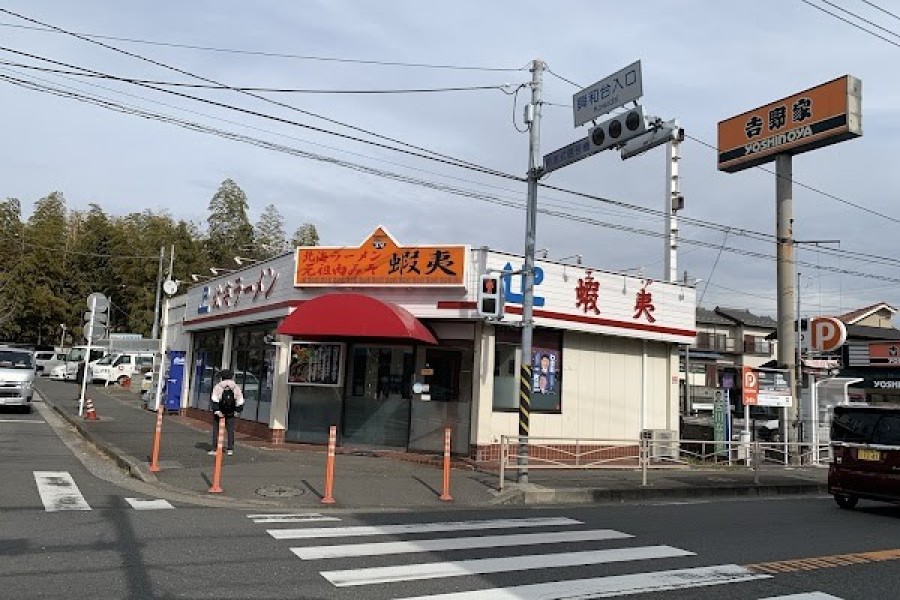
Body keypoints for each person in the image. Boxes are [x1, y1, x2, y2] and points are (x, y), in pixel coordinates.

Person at [208, 369, 244, 456]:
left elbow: (214, 399)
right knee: (230, 430)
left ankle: (215, 449)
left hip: (220, 411)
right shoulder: (236, 387)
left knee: (216, 430)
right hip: (231, 412)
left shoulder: (218, 387)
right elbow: (240, 400)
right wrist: (237, 410)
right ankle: (230, 449)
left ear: (222, 377)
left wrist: (217, 410)